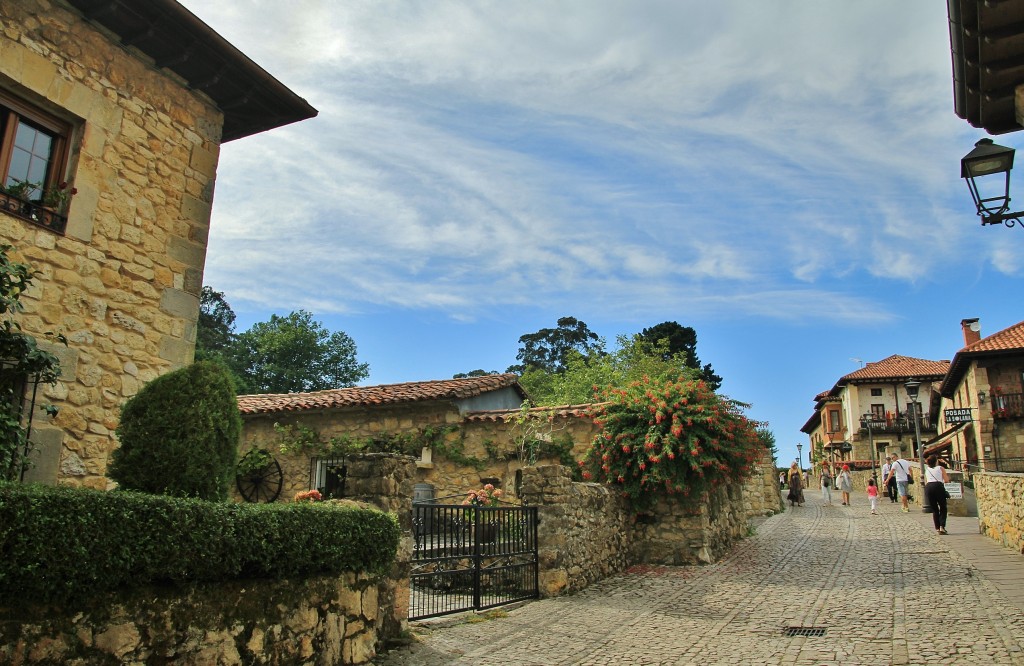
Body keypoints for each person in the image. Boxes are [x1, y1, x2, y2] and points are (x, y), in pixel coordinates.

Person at [925, 455, 951, 534]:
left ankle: (937, 527)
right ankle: (942, 527)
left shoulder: (927, 469)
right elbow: (946, 480)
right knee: (943, 507)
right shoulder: (940, 468)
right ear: (936, 461)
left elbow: (927, 480)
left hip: (929, 487)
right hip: (938, 486)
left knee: (934, 509)